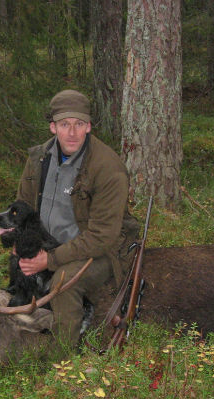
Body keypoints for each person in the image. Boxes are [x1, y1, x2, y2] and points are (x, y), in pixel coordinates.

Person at [16, 89, 139, 346]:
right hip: (53, 241)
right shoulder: (38, 158)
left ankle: (62, 355)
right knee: (19, 269)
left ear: (89, 127)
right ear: (53, 128)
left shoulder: (108, 168)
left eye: (79, 124)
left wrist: (50, 260)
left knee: (63, 282)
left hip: (105, 249)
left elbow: (103, 237)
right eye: (64, 125)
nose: (72, 133)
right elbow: (24, 207)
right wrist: (23, 244)